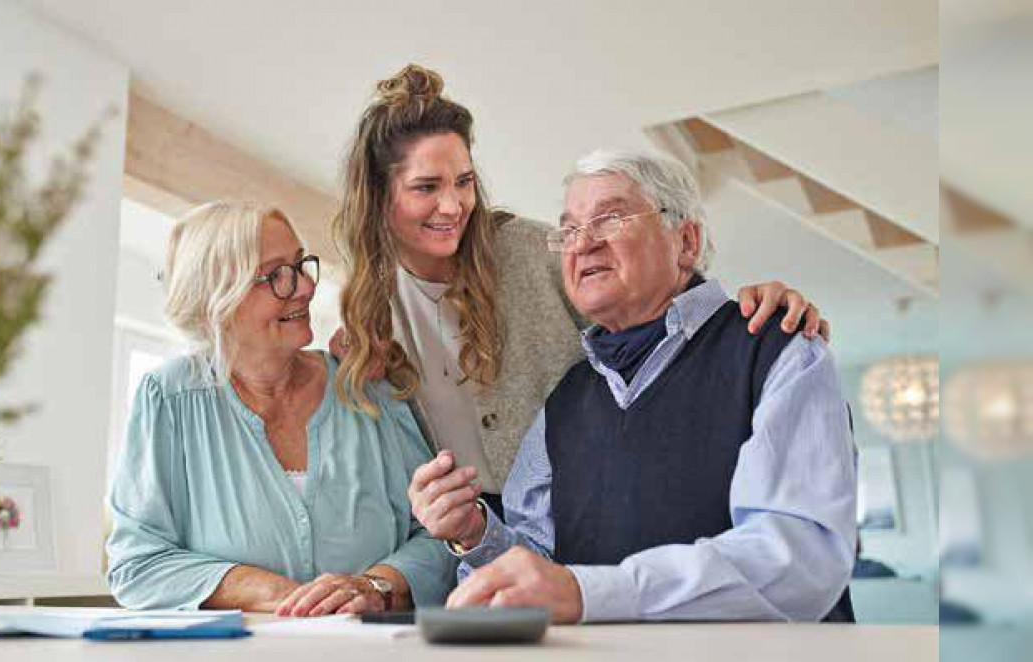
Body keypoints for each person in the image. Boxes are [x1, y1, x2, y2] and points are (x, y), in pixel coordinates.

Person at [331, 64, 831, 520]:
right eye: (426, 187)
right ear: (380, 195)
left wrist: (747, 310)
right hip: (461, 529)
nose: (453, 205)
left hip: (578, 510)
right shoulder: (369, 303)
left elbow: (662, 316)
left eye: (463, 182)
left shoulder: (532, 250)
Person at [411, 149, 857, 623]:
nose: (583, 245)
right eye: (570, 230)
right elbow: (539, 562)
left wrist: (594, 594)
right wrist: (476, 532)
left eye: (610, 219)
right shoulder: (565, 401)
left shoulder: (780, 350)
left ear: (685, 242)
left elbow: (800, 558)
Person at [106, 200, 455, 615]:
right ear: (220, 300)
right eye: (277, 276)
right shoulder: (169, 399)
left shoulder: (366, 385)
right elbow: (138, 564)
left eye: (301, 264)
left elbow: (442, 534)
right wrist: (276, 593)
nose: (306, 287)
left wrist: (376, 586)